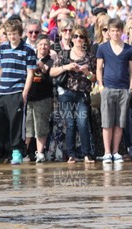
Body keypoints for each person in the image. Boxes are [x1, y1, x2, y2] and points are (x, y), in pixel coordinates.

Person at [0, 18, 36, 165]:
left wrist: (24, 93)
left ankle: (17, 151)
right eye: (9, 34)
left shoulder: (28, 50)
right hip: (1, 91)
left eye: (15, 34)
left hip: (17, 91)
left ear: (20, 34)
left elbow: (30, 73)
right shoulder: (2, 48)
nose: (12, 37)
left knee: (16, 124)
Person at [50, 26, 96, 163]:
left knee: (82, 122)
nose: (78, 39)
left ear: (85, 40)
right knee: (70, 123)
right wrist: (67, 67)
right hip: (67, 93)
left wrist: (87, 73)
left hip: (82, 94)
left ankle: (86, 154)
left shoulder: (90, 57)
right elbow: (52, 72)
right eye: (75, 36)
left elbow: (95, 78)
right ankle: (71, 155)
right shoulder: (64, 54)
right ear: (72, 39)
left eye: (81, 37)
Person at [96, 19, 132, 164]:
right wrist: (100, 86)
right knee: (107, 122)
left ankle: (116, 151)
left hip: (123, 89)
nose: (115, 33)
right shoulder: (102, 48)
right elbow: (98, 68)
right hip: (108, 88)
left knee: (119, 123)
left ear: (121, 32)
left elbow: (131, 70)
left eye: (118, 30)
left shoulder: (129, 49)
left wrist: (130, 88)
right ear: (108, 32)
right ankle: (107, 152)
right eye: (112, 30)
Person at [25, 34, 54, 163]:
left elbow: (49, 76)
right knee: (28, 127)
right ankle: (24, 152)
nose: (43, 47)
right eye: (41, 44)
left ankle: (40, 153)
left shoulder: (51, 59)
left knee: (41, 127)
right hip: (30, 97)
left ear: (49, 47)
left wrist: (41, 66)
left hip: (44, 97)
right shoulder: (30, 57)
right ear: (36, 45)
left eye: (46, 44)